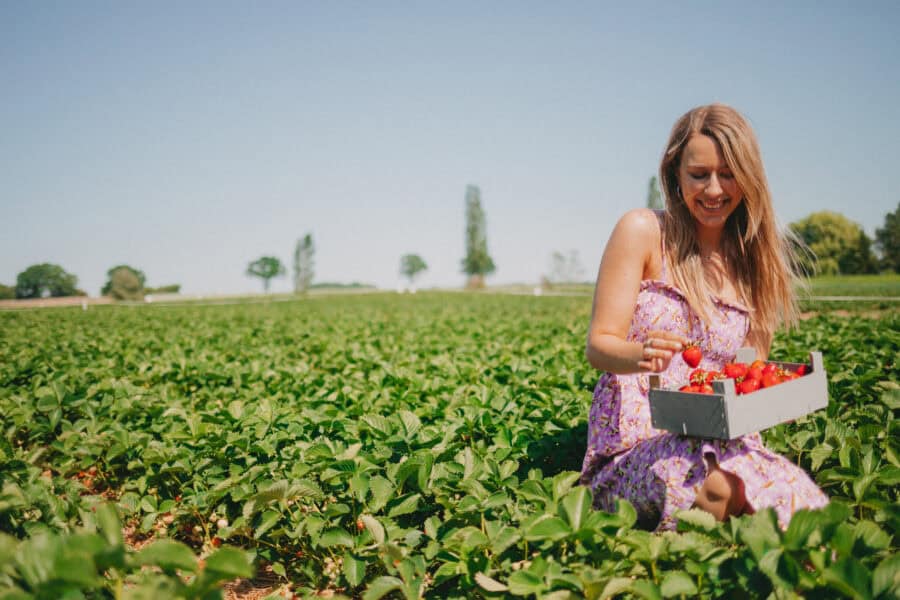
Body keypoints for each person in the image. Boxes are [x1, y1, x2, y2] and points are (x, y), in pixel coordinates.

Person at [580, 103, 828, 531]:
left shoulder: (757, 263)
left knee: (805, 506)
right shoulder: (642, 231)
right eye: (699, 174)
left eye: (729, 173)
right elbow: (599, 344)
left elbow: (747, 373)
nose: (714, 189)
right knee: (715, 488)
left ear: (749, 178)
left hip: (726, 440)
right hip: (637, 445)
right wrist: (639, 354)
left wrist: (782, 394)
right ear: (676, 173)